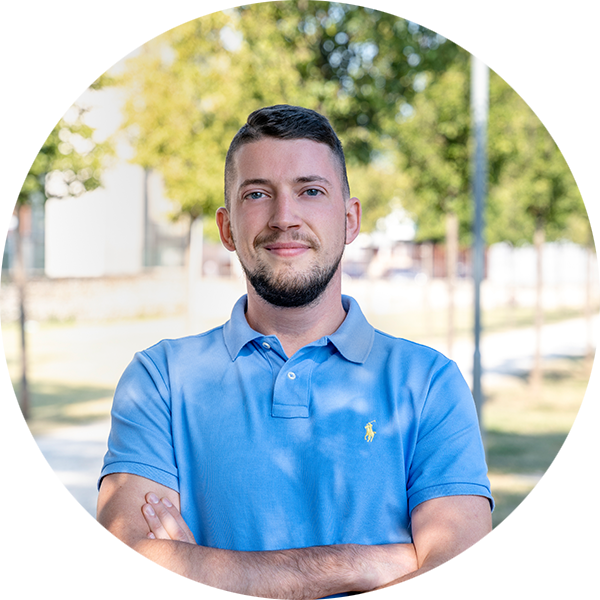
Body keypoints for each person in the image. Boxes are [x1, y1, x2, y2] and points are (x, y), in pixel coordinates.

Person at [95, 104, 495, 600]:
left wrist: (203, 580)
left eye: (311, 191)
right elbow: (125, 580)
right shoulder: (160, 380)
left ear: (350, 220)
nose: (284, 218)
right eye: (257, 194)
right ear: (226, 228)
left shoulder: (430, 384)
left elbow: (462, 587)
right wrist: (360, 563)